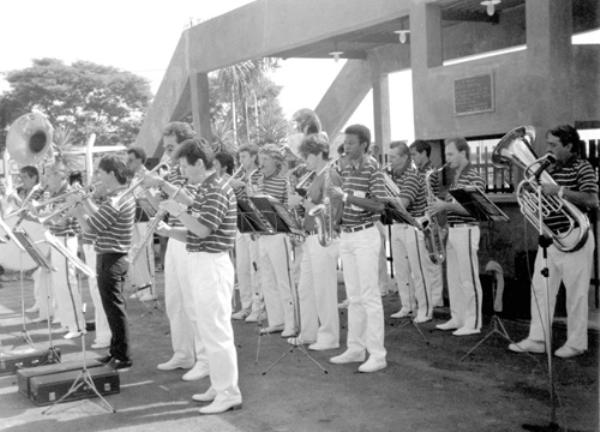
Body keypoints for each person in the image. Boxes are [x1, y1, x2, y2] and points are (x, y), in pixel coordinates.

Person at [156, 139, 242, 414]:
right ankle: (219, 386)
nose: (181, 172)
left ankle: (228, 391)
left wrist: (178, 211)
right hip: (203, 262)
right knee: (208, 330)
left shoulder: (215, 189)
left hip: (212, 265)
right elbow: (195, 231)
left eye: (184, 165)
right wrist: (169, 231)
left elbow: (203, 230)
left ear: (200, 164)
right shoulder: (207, 189)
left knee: (216, 332)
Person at [508, 125, 598, 358]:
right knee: (540, 289)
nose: (548, 150)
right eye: (547, 144)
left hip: (575, 235)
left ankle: (577, 343)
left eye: (553, 145)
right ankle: (538, 339)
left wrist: (558, 191)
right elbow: (536, 195)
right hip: (551, 237)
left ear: (569, 146)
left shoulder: (583, 167)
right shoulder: (547, 168)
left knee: (576, 294)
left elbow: (591, 199)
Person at [145, 122, 209, 381]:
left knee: (195, 304)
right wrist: (148, 195)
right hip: (174, 238)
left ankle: (205, 358)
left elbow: (193, 201)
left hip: (191, 238)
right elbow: (164, 207)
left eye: (172, 147)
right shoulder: (172, 172)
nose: (168, 153)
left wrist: (162, 183)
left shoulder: (194, 169)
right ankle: (183, 353)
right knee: (175, 301)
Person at [328, 124, 388, 373]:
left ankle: (377, 354)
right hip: (349, 236)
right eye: (345, 142)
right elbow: (346, 200)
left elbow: (379, 205)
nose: (346, 147)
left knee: (369, 296)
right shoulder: (348, 168)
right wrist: (336, 220)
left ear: (363, 144)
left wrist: (344, 197)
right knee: (354, 297)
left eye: (351, 143)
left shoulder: (373, 169)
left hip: (365, 236)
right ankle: (355, 348)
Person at [69, 155, 135, 369]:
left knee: (115, 310)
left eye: (100, 172)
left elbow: (92, 227)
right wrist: (85, 201)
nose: (98, 177)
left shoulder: (118, 199)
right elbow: (101, 218)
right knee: (111, 308)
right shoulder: (117, 197)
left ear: (112, 174)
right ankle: (115, 352)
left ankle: (122, 356)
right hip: (109, 256)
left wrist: (77, 209)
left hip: (113, 257)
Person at [430, 137, 485, 336]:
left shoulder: (474, 176)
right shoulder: (456, 176)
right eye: (446, 154)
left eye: (451, 154)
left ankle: (473, 322)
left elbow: (474, 209)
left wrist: (445, 205)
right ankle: (458, 317)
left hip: (467, 229)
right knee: (454, 278)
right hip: (454, 229)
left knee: (468, 278)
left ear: (463, 153)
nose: (447, 159)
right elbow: (455, 205)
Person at [291, 133, 342, 350]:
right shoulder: (317, 176)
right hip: (312, 238)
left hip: (323, 238)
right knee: (306, 288)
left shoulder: (330, 175)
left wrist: (301, 202)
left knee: (324, 290)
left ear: (320, 153)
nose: (306, 161)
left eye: (308, 156)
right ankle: (309, 332)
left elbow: (330, 212)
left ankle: (329, 337)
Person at [387, 141, 433, 323]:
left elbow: (402, 204)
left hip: (413, 225)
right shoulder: (396, 176)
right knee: (401, 270)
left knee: (418, 270)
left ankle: (426, 309)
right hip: (398, 225)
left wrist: (383, 194)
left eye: (393, 157)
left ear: (405, 157)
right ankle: (407, 306)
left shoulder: (412, 176)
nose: (390, 161)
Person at [255, 143, 296, 337]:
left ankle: (291, 322)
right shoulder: (256, 179)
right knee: (267, 280)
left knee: (283, 280)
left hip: (278, 235)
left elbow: (288, 209)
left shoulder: (282, 182)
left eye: (265, 159)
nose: (260, 163)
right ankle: (276, 320)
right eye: (260, 159)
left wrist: (269, 200)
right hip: (261, 235)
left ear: (276, 162)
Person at [42, 161, 84, 339]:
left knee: (68, 282)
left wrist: (45, 218)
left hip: (66, 239)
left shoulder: (68, 192)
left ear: (61, 175)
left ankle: (78, 325)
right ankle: (67, 321)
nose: (46, 179)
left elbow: (63, 220)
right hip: (56, 238)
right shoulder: (53, 193)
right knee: (59, 284)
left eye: (50, 175)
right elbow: (50, 218)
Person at [228, 144, 263, 322]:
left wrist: (241, 184)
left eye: (244, 157)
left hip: (253, 222)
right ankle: (246, 305)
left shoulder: (258, 174)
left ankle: (258, 307)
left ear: (254, 157)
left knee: (254, 266)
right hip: (240, 222)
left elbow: (257, 195)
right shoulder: (241, 174)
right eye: (240, 157)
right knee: (242, 267)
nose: (241, 161)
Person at [409, 140, 445, 308]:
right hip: (424, 218)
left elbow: (430, 197)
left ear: (424, 153)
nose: (413, 158)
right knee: (426, 260)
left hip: (430, 217)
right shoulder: (420, 171)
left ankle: (436, 300)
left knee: (433, 260)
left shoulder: (430, 171)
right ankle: (431, 297)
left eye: (415, 154)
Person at [126, 147, 156, 302]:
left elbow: (153, 200)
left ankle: (151, 289)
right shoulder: (133, 177)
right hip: (135, 218)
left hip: (145, 218)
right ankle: (141, 286)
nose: (128, 162)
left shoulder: (147, 175)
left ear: (139, 159)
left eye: (131, 159)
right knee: (136, 253)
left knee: (146, 253)